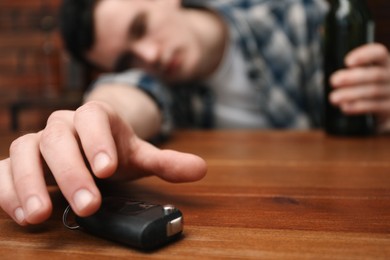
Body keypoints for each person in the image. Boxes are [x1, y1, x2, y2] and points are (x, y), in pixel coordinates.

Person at [1, 0, 390, 226]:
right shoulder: (153, 81)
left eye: (141, 27)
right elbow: (123, 99)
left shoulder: (299, 15)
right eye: (126, 60)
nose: (150, 57)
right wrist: (95, 119)